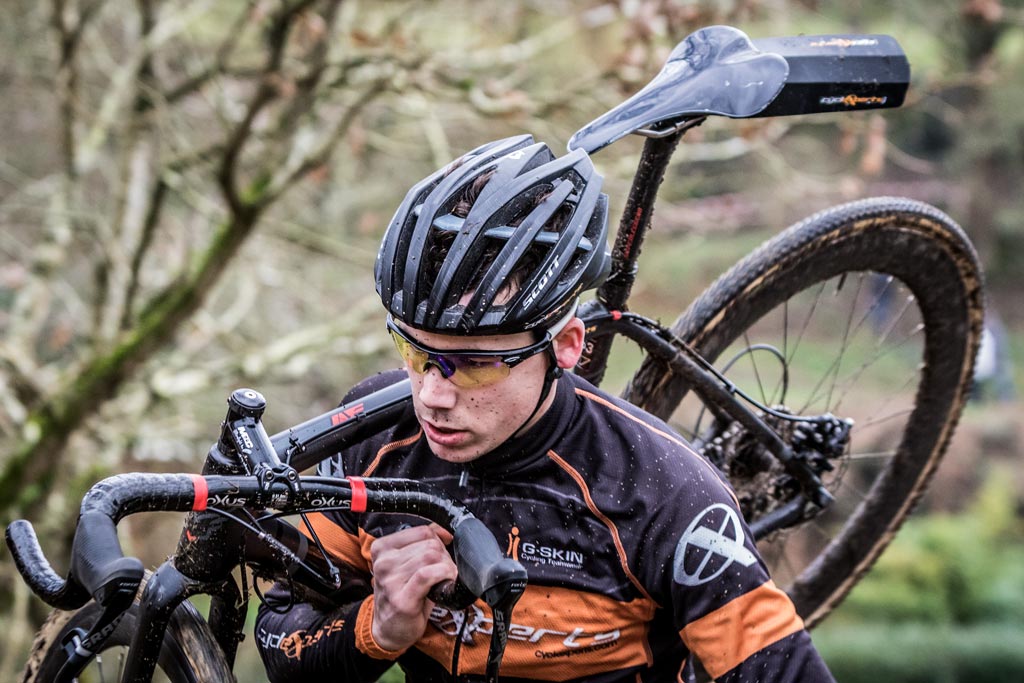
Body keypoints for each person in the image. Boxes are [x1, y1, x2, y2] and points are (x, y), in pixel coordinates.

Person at [254, 135, 836, 682]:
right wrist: (378, 629)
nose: (431, 395)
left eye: (474, 364)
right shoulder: (374, 439)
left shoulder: (666, 494)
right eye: (415, 351)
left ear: (566, 347)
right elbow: (281, 639)